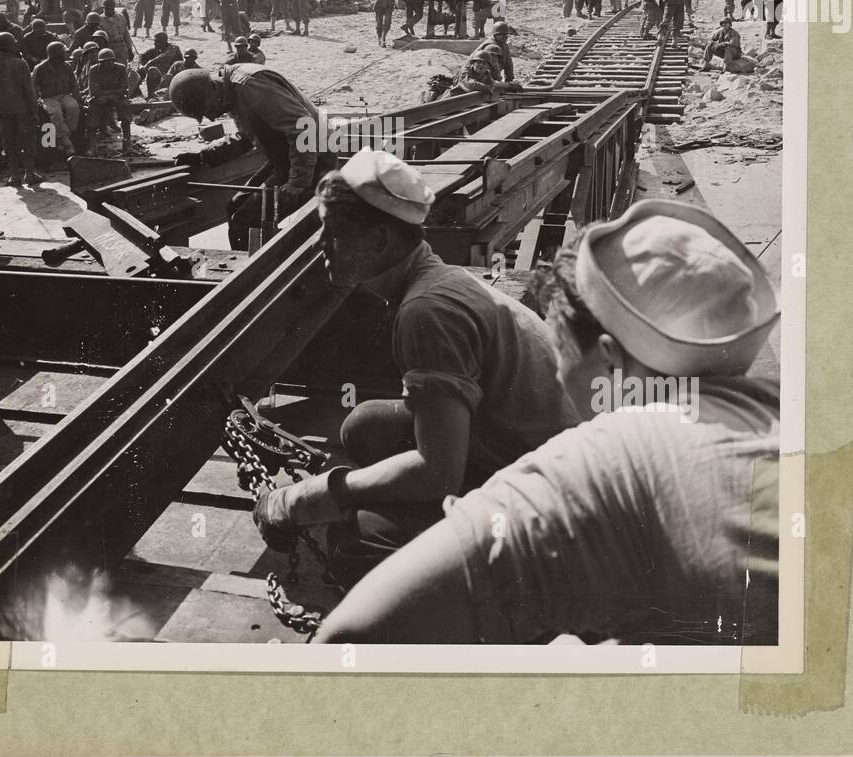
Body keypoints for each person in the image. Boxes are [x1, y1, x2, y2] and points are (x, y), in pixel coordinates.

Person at [315, 198, 780, 645]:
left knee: (363, 538)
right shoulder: (780, 409)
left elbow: (349, 635)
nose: (556, 370)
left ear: (610, 361)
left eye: (560, 347)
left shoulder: (604, 462)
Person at [253, 150, 566, 586]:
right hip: (529, 445)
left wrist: (306, 498)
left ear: (380, 240)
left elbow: (439, 473)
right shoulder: (439, 278)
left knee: (357, 540)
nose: (320, 246)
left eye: (335, 234)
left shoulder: (425, 313)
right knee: (365, 426)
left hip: (550, 496)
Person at [169, 63, 336, 247]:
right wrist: (205, 156)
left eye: (208, 110)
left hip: (315, 157)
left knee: (244, 221)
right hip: (289, 155)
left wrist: (297, 183)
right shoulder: (232, 91)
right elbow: (247, 137)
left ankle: (258, 271)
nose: (211, 118)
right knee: (234, 207)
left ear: (214, 88)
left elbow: (304, 128)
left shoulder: (250, 85)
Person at [0, 31, 42, 186]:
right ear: (12, 45)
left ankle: (14, 176)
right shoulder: (21, 64)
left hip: (2, 111)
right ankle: (29, 173)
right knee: (28, 142)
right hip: (22, 111)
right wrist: (34, 111)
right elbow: (29, 90)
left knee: (8, 143)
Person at [32, 41, 81, 157]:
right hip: (47, 97)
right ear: (57, 54)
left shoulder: (66, 67)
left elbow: (74, 84)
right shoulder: (40, 68)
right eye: (63, 53)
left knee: (73, 107)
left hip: (64, 95)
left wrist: (77, 97)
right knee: (55, 112)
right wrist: (35, 101)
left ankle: (62, 137)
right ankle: (67, 143)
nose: (66, 55)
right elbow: (32, 86)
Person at [85, 47, 134, 155]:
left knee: (125, 108)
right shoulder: (94, 70)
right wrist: (109, 94)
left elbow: (124, 87)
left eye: (110, 61)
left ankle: (128, 143)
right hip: (100, 98)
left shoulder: (120, 68)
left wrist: (110, 96)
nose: (109, 65)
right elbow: (93, 90)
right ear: (100, 62)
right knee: (92, 111)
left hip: (117, 97)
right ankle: (92, 146)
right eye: (105, 62)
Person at [139, 32, 183, 96]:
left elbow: (164, 57)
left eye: (156, 41)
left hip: (173, 79)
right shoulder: (154, 50)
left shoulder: (174, 48)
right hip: (161, 78)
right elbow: (142, 58)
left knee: (152, 69)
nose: (154, 43)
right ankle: (149, 95)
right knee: (149, 70)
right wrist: (141, 66)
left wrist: (148, 64)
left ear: (163, 42)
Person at [99, 0, 135, 64]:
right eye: (107, 9)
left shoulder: (121, 17)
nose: (109, 11)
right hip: (108, 48)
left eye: (111, 9)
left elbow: (126, 34)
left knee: (122, 69)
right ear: (103, 8)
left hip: (121, 47)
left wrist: (129, 49)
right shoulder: (100, 20)